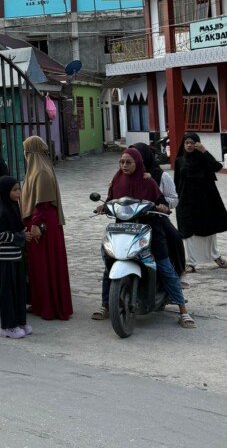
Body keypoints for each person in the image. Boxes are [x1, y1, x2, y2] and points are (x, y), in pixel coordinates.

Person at [92, 147, 194, 328]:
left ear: (138, 163)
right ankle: (106, 304)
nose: (124, 165)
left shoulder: (148, 181)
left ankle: (183, 311)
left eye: (128, 162)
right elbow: (110, 200)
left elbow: (162, 200)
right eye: (121, 162)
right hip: (123, 230)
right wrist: (103, 207)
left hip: (150, 230)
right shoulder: (116, 179)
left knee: (164, 266)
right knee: (109, 266)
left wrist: (162, 207)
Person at [21, 135, 72, 321]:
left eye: (26, 151)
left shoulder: (41, 171)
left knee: (45, 266)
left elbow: (42, 202)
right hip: (41, 222)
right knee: (39, 266)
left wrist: (35, 224)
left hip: (43, 225)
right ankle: (41, 303)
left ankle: (49, 307)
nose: (25, 154)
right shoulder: (38, 169)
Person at [174, 133, 227, 272]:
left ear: (197, 144)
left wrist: (204, 151)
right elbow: (177, 182)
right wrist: (176, 200)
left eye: (192, 143)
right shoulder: (179, 160)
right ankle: (191, 263)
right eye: (186, 143)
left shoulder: (204, 158)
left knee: (209, 229)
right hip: (186, 200)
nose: (189, 145)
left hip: (206, 199)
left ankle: (215, 256)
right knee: (188, 232)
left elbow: (217, 167)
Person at [131, 141, 185, 277]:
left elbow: (174, 199)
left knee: (174, 236)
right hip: (131, 218)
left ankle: (177, 272)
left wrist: (161, 205)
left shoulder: (161, 176)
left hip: (155, 216)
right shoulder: (124, 176)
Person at [0, 176, 31, 339]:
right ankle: (8, 326)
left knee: (19, 290)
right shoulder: (3, 211)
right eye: (14, 190)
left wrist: (22, 233)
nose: (18, 193)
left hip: (16, 256)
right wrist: (20, 237)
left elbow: (16, 228)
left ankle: (20, 322)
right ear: (5, 192)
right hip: (6, 258)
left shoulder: (14, 207)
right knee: (8, 292)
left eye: (19, 189)